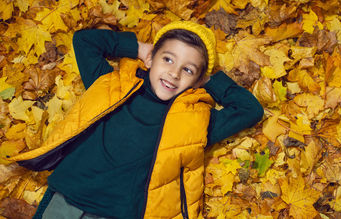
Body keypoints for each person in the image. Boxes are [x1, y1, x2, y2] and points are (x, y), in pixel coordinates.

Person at [8, 21, 263, 218]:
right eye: (167, 59)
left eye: (187, 69)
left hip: (121, 213)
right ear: (151, 59)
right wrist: (138, 48)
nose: (174, 73)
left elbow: (249, 109)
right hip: (69, 194)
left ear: (197, 81)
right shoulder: (110, 84)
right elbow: (85, 41)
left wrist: (208, 78)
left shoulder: (194, 123)